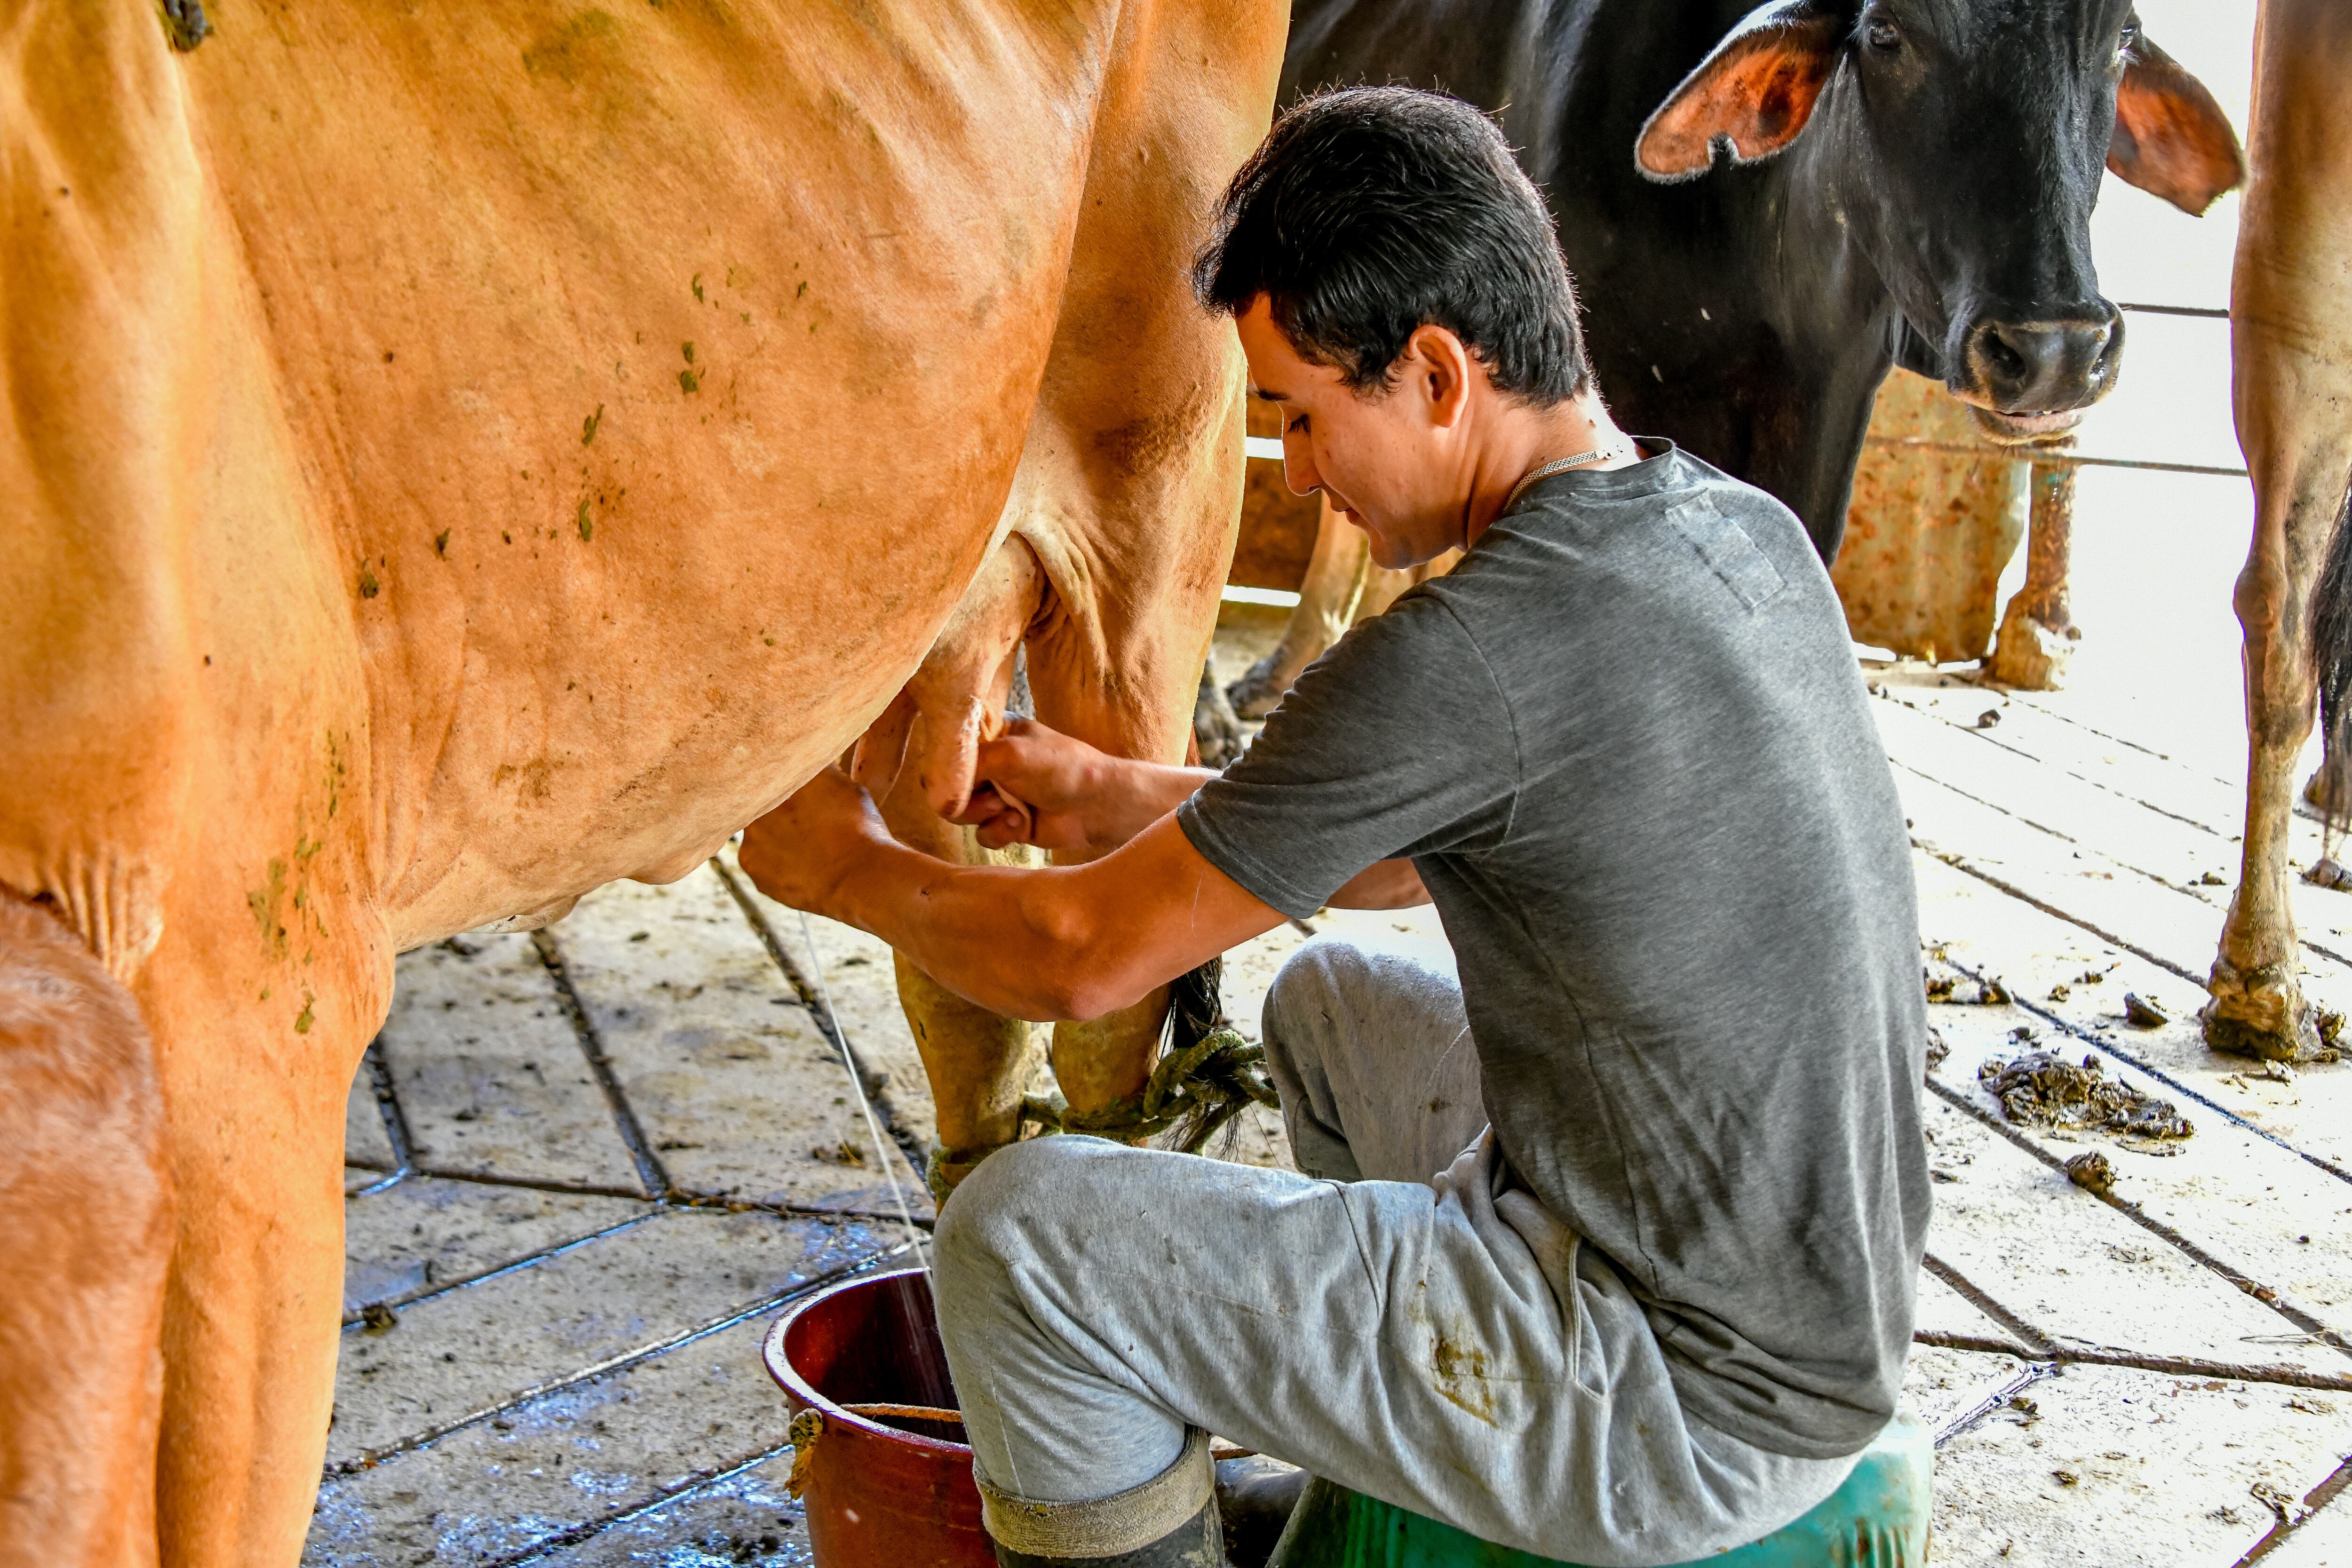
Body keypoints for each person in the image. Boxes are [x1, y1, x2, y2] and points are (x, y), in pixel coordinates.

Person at [739, 86, 1929, 1568]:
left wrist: (847, 867)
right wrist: (1110, 793)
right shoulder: (1733, 528)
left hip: (1673, 1407)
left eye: (1304, 415)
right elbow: (1406, 846)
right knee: (1328, 1007)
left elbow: (1079, 958)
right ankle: (1357, 1487)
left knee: (1020, 1241)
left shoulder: (1471, 648)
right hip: (1804, 1312)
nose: (1300, 471)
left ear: (1435, 373)